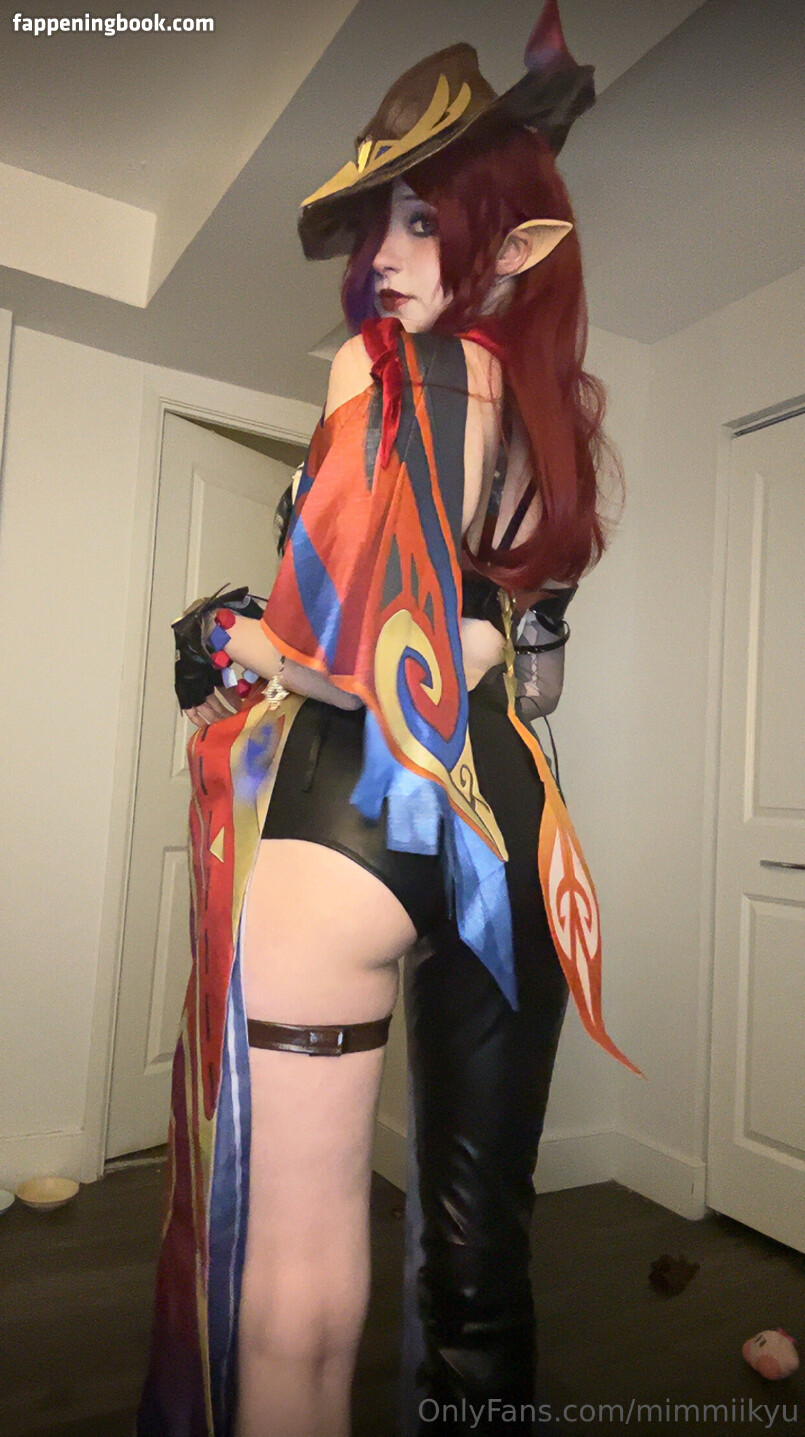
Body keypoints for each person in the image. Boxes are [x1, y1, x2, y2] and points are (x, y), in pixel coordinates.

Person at [135, 4, 642, 1436]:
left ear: (506, 244)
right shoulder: (550, 426)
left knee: (297, 1271)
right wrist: (474, 632)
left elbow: (355, 663)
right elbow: (515, 669)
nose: (386, 260)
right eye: (381, 226)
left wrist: (231, 634)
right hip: (515, 839)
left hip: (353, 816)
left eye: (425, 223)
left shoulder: (379, 366)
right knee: (481, 1269)